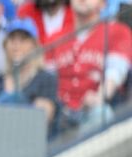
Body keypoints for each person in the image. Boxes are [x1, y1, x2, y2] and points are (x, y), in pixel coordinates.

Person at [47, 0, 132, 132]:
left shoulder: (117, 31)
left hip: (94, 113)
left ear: (103, 4)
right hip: (59, 116)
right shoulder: (55, 38)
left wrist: (100, 96)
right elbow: (45, 79)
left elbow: (116, 71)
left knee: (101, 113)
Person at [0, 18, 58, 129]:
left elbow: (45, 118)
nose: (16, 45)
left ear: (34, 45)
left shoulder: (46, 79)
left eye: (23, 40)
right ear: (5, 45)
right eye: (12, 39)